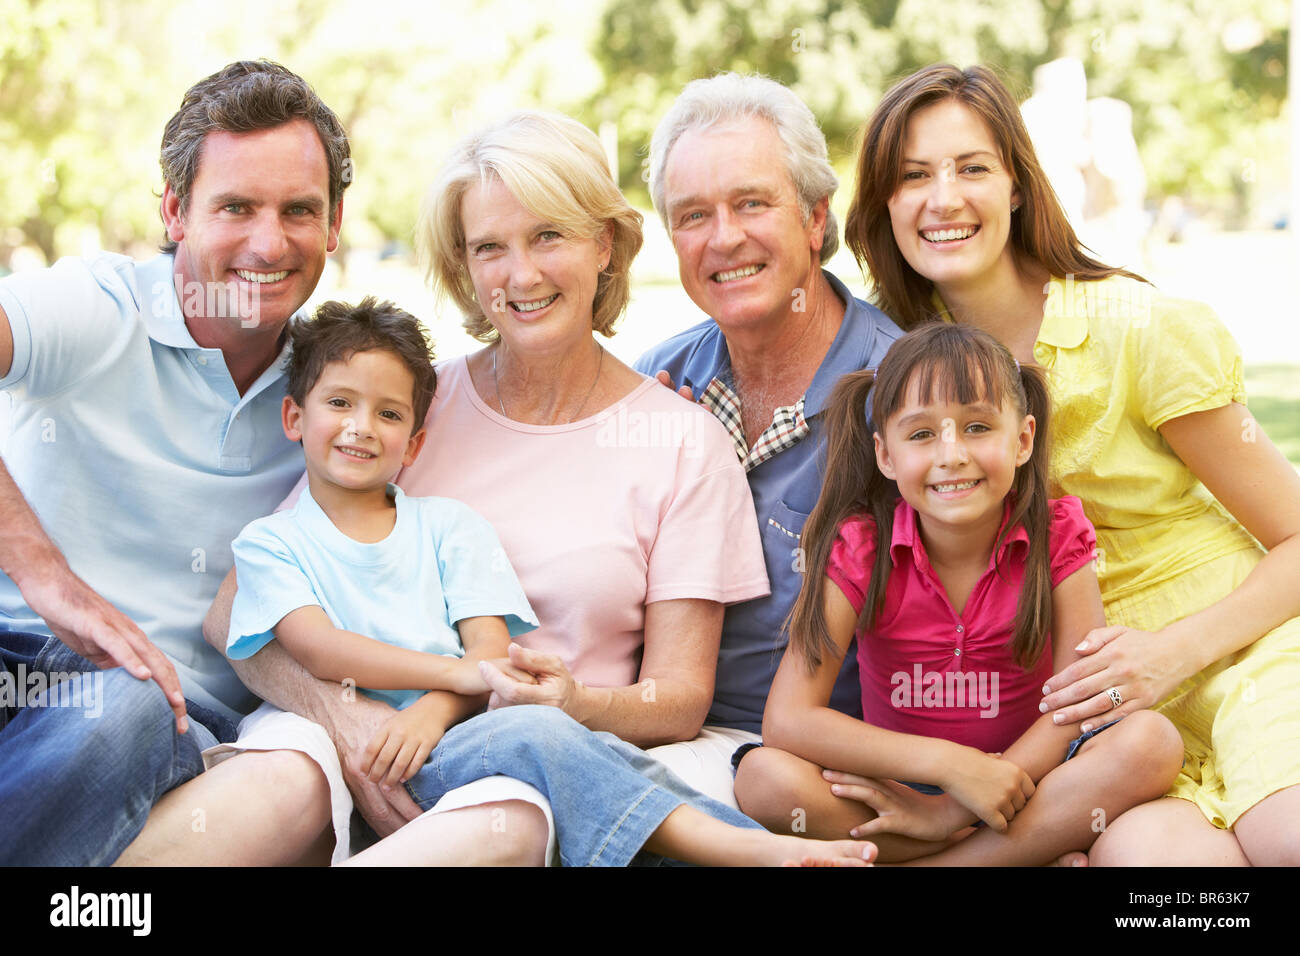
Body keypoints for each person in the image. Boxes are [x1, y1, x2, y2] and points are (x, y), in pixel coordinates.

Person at [145, 110, 814, 866]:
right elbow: (237, 610)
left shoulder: (683, 442)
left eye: (548, 236)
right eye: (489, 248)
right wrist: (349, 722)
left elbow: (679, 696)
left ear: (604, 244)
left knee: (507, 819)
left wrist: (575, 704)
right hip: (349, 722)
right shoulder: (407, 408)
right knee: (284, 774)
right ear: (464, 267)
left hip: (526, 757)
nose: (520, 275)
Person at [844, 63, 1300, 865]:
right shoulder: (902, 367)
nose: (942, 198)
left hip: (1238, 657)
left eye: (972, 168)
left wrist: (1176, 653)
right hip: (1094, 721)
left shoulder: (1139, 330)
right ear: (885, 201)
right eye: (912, 176)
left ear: (1019, 187)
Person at [0, 60, 349, 866]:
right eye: (236, 207)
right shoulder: (98, 308)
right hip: (14, 651)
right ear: (174, 211)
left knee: (127, 704)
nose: (269, 242)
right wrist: (49, 580)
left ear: (334, 224)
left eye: (299, 210)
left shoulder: (331, 396)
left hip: (143, 716)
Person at [734, 323, 1183, 864]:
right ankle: (1007, 857)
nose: (951, 455)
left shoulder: (1057, 532)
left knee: (1151, 743)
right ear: (885, 456)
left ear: (1023, 440)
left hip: (1026, 787)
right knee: (764, 779)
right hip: (899, 793)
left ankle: (952, 857)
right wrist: (950, 769)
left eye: (976, 427)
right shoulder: (861, 545)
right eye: (921, 434)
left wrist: (954, 810)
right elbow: (788, 720)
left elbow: (1080, 703)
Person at [634, 73, 903, 807]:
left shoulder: (906, 387)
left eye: (752, 202)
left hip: (841, 768)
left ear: (817, 219)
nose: (724, 238)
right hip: (677, 748)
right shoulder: (652, 386)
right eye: (693, 216)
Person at [224, 297, 538, 801]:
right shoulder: (268, 543)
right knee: (269, 782)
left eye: (388, 413)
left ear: (413, 445)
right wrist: (452, 672)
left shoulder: (451, 526)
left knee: (533, 754)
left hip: (446, 728)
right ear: (294, 417)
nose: (362, 426)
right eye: (340, 402)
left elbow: (490, 653)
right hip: (316, 731)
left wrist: (433, 710)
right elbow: (320, 650)